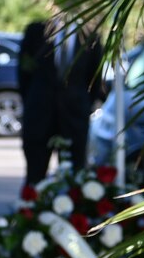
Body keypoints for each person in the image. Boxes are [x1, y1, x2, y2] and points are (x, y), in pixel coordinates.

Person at [19, 15, 105, 184]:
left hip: (75, 118)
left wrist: (84, 106)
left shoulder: (90, 35)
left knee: (74, 178)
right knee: (34, 177)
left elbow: (94, 79)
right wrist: (32, 103)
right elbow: (23, 74)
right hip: (39, 117)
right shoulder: (36, 31)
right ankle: (31, 208)